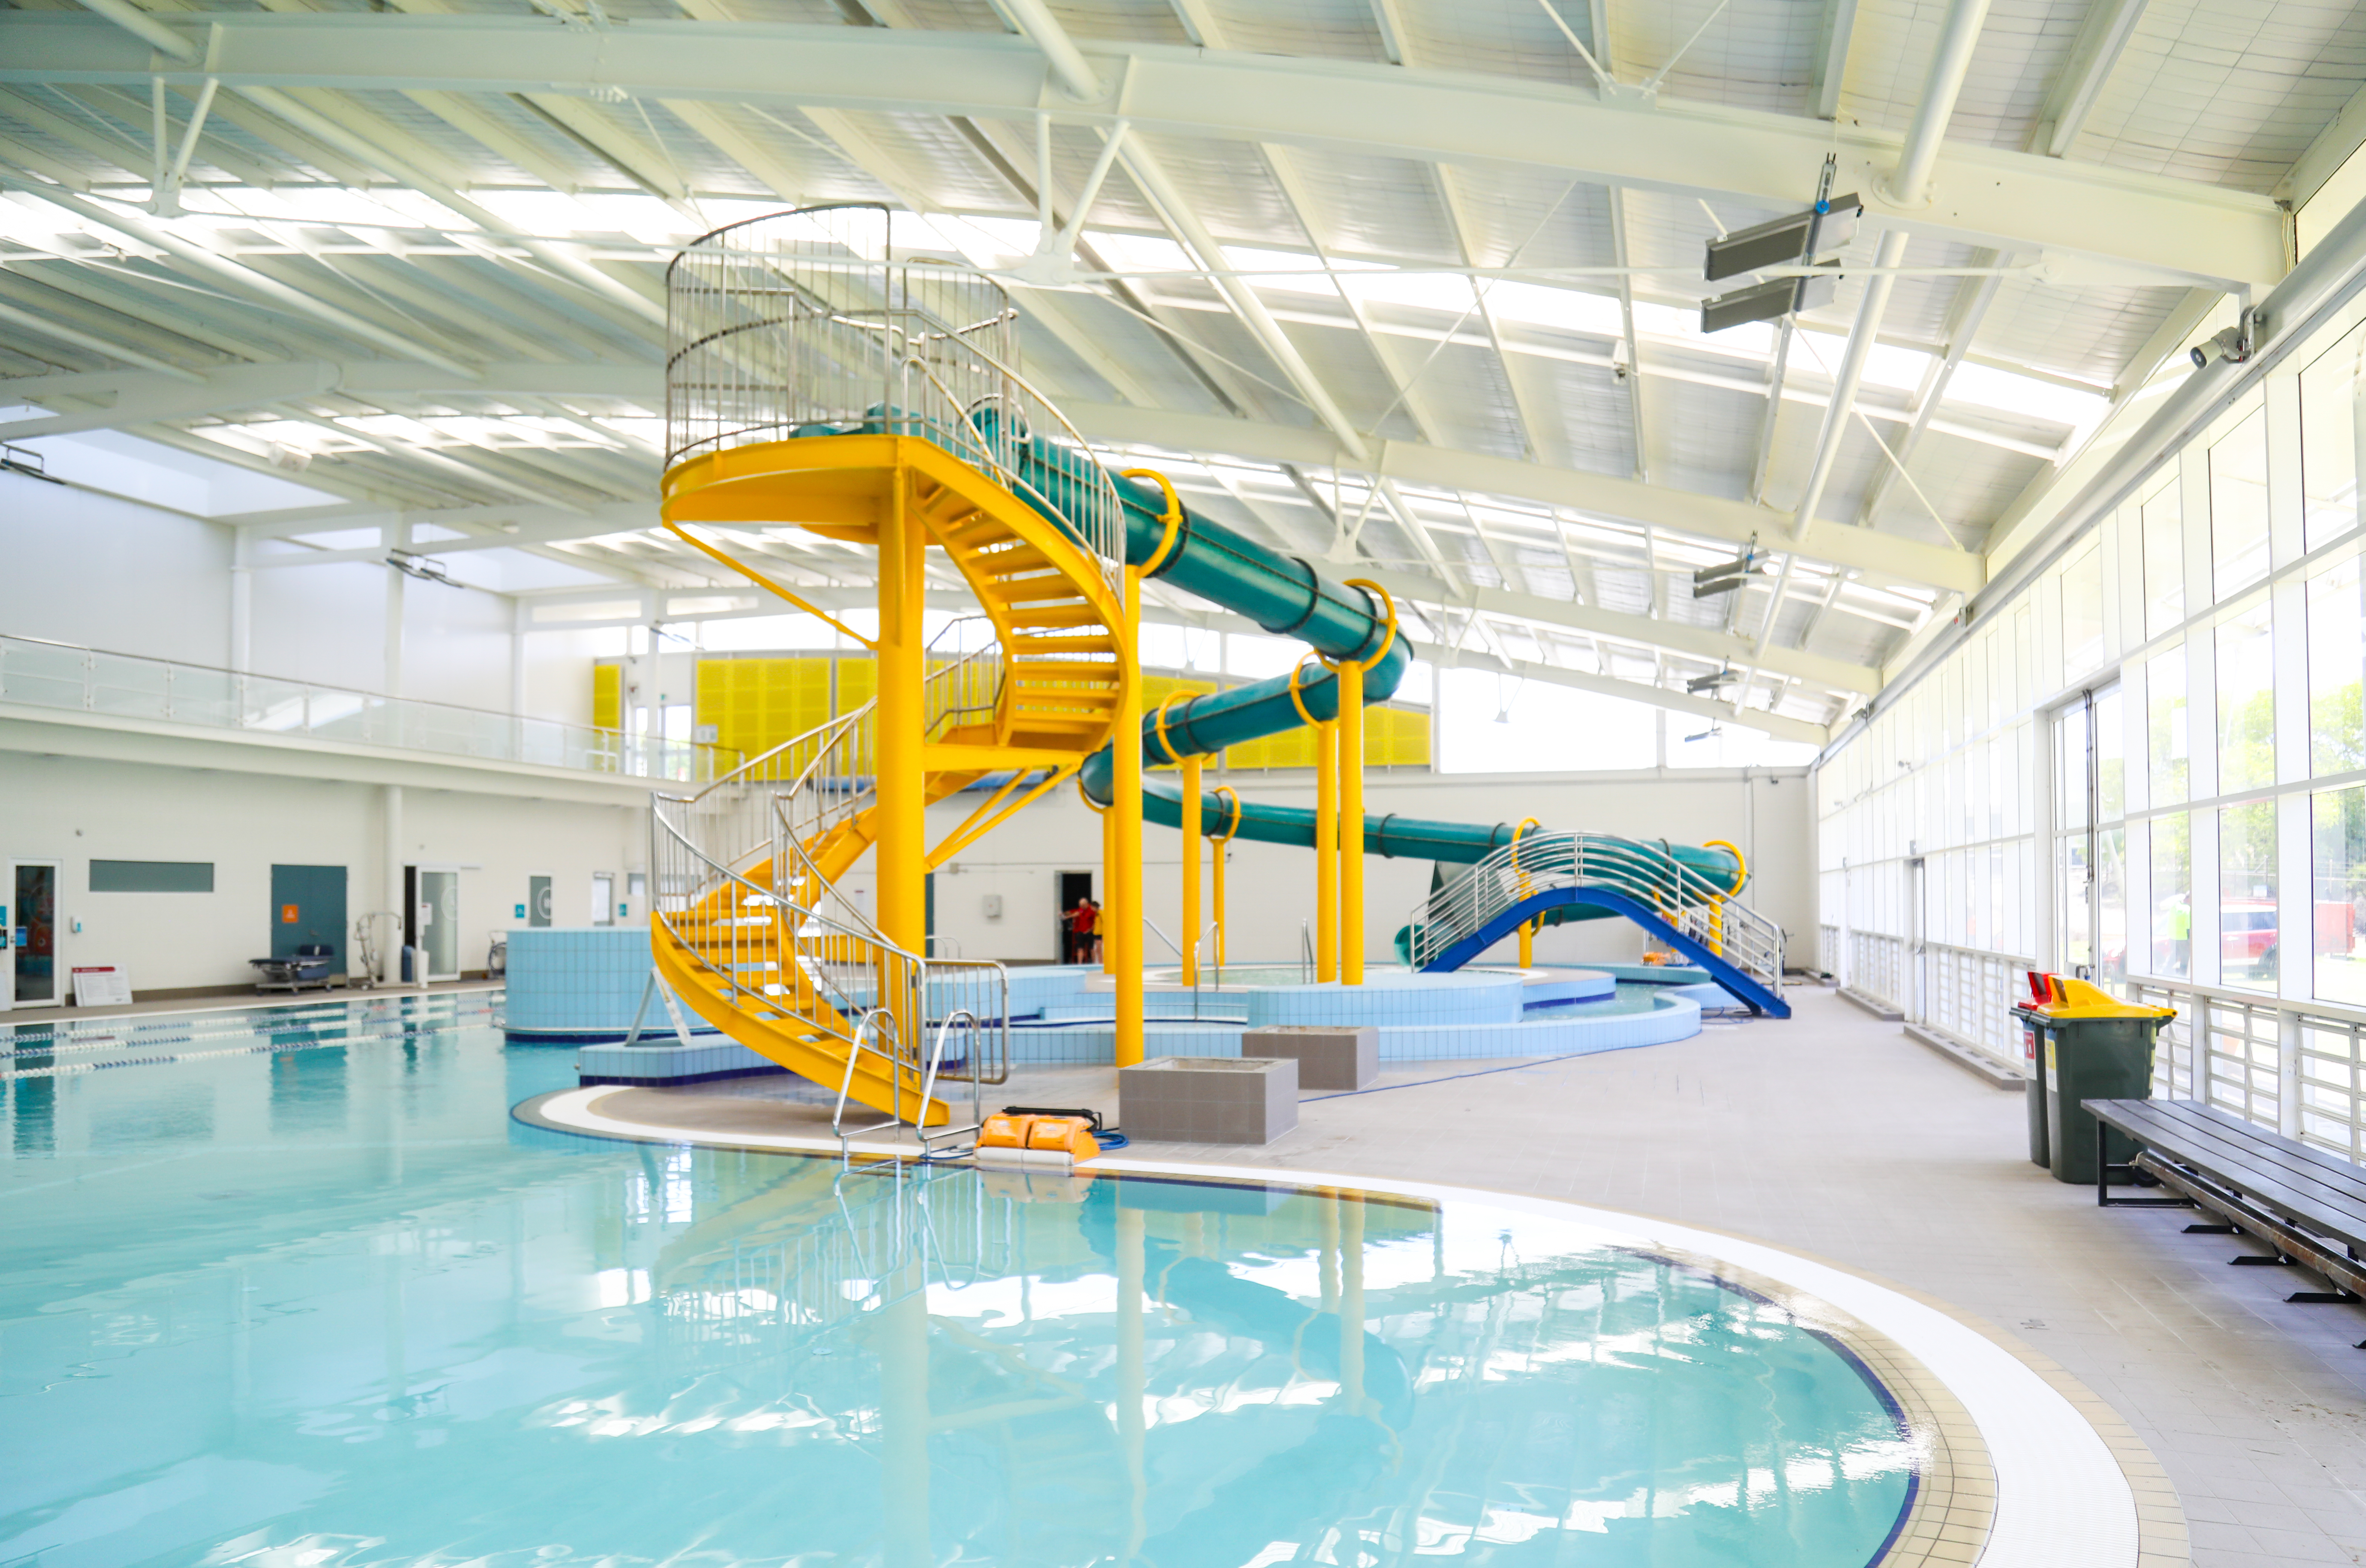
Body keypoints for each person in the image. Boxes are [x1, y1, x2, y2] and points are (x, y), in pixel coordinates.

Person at [1068, 896, 1100, 966]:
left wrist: (1090, 930)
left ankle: (1094, 963)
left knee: (1091, 948)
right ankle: (1080, 964)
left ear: (1086, 904)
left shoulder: (1091, 910)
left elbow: (1095, 922)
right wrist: (1068, 917)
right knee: (1080, 948)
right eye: (1080, 906)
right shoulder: (1082, 910)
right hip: (1081, 932)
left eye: (1082, 905)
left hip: (1089, 932)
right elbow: (1077, 913)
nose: (1081, 907)